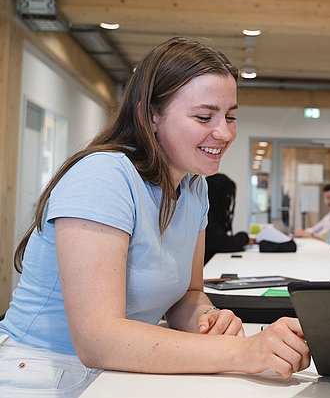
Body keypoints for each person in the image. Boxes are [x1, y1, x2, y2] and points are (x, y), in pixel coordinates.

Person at [0, 37, 309, 397]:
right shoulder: (103, 176)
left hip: (121, 372)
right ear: (151, 115)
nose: (224, 132)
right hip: (41, 374)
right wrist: (241, 350)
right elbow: (98, 340)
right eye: (204, 116)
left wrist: (206, 319)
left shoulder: (195, 187)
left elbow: (188, 294)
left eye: (231, 116)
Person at [204, 173, 249, 264]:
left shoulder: (211, 215)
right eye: (227, 196)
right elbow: (227, 244)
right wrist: (244, 236)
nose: (229, 201)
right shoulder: (206, 217)